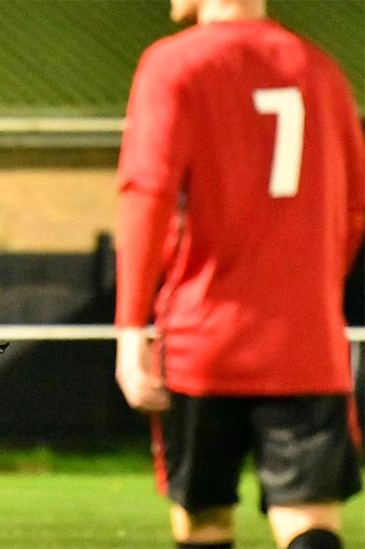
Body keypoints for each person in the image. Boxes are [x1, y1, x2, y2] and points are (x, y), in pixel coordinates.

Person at [114, 0, 364, 548]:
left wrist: (130, 327)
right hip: (307, 346)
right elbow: (353, 210)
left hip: (202, 342)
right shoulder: (320, 69)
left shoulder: (174, 63)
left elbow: (147, 196)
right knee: (310, 521)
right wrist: (308, 291)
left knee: (203, 521)